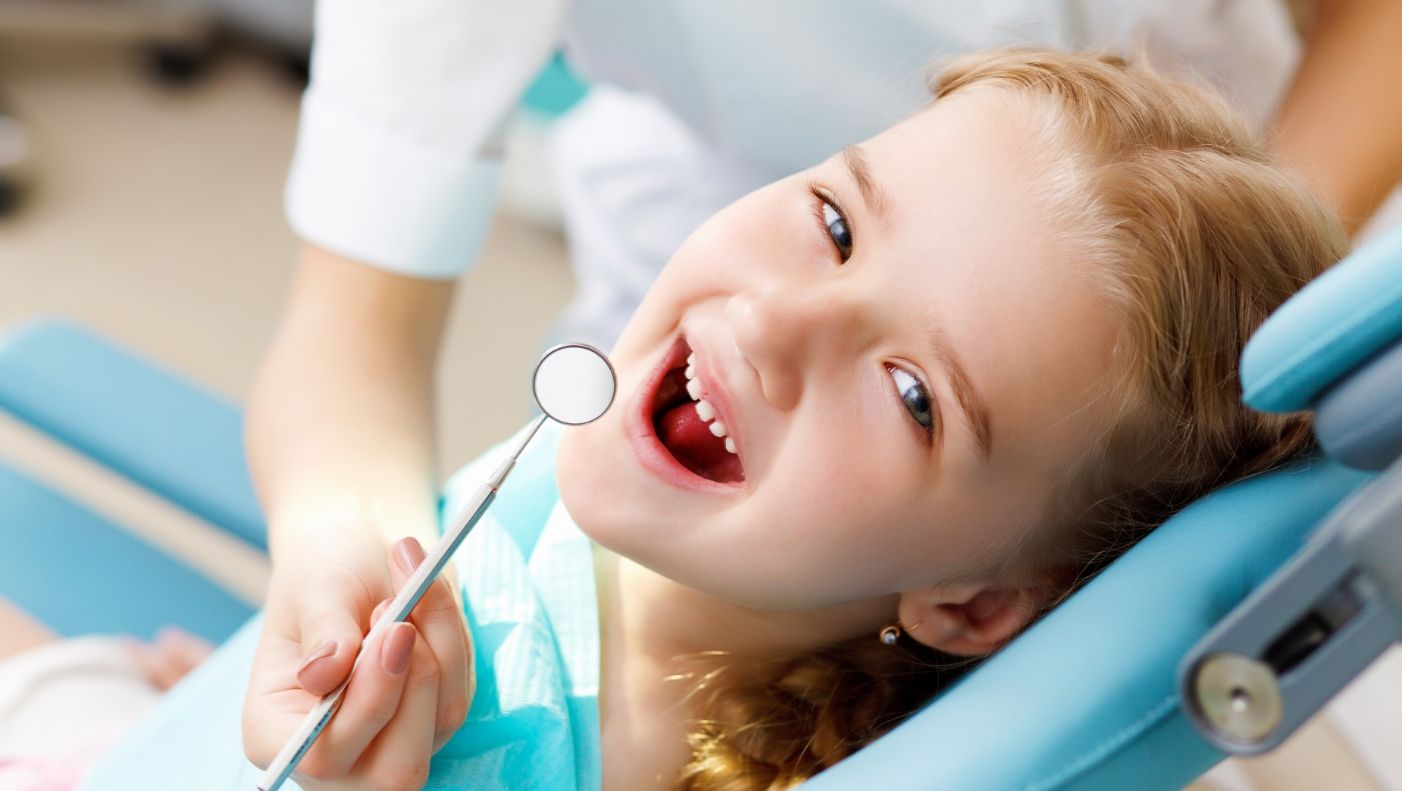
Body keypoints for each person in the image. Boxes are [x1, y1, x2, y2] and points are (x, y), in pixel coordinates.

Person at [6, 49, 1344, 789]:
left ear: (978, 607)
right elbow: (348, 346)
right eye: (830, 222)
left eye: (912, 396)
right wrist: (312, 584)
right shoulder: (620, 499)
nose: (769, 322)